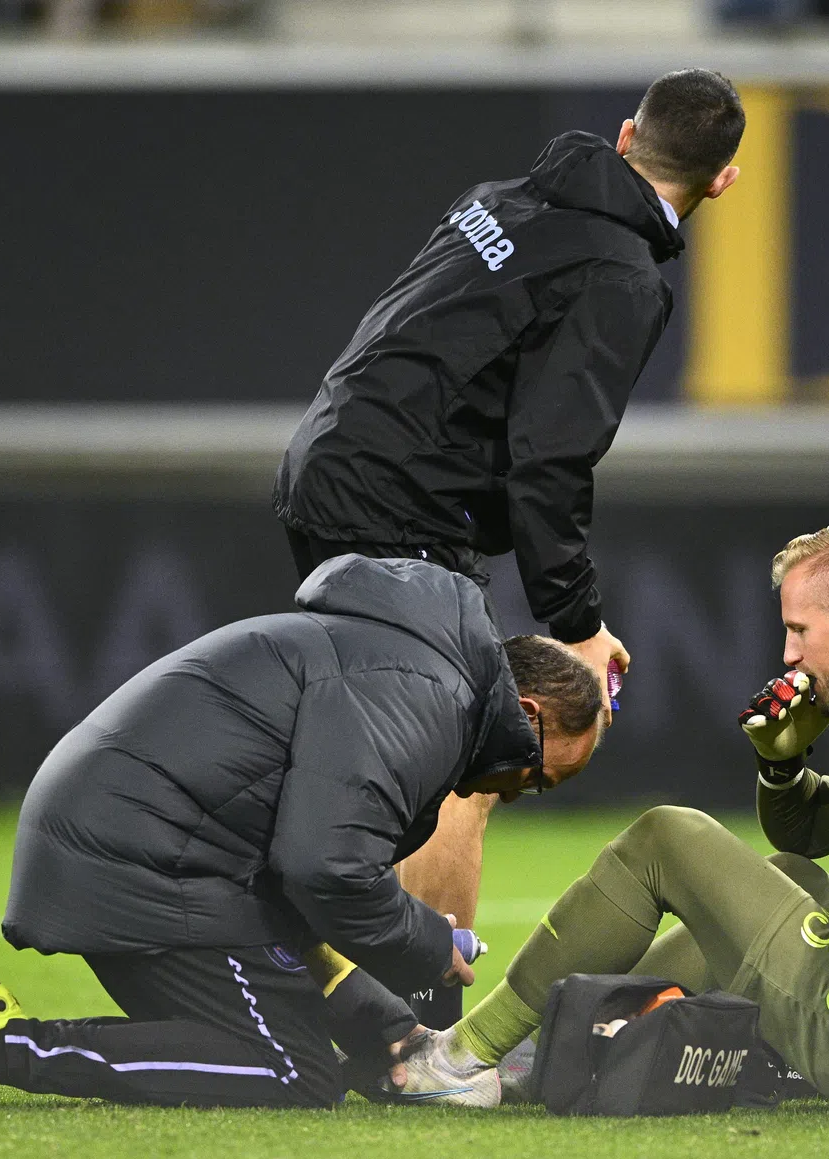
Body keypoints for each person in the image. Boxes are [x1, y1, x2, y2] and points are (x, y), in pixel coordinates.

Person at [274, 67, 746, 1026]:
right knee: (464, 769)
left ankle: (325, 1006)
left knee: (371, 760)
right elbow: (550, 460)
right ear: (722, 181)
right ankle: (421, 1035)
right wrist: (576, 622)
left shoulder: (499, 201)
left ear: (624, 134)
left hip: (323, 467)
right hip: (398, 506)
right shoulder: (620, 277)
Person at [0, 554, 608, 1109]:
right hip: (137, 858)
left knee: (295, 1026)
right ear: (528, 716)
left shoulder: (414, 671)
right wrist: (427, 942)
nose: (523, 791)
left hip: (139, 840)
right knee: (294, 1074)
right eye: (539, 777)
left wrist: (394, 1035)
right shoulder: (426, 700)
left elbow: (292, 895)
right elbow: (323, 869)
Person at [396, 519, 829, 1111]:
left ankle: (461, 1055)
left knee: (665, 838)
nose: (789, 655)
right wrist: (782, 769)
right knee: (790, 875)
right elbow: (815, 831)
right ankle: (547, 1048)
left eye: (800, 629)